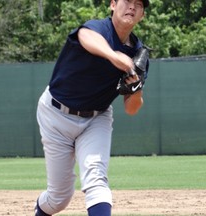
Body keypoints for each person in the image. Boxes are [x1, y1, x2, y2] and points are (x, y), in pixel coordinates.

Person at [35, 0, 150, 215]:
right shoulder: (99, 29)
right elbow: (85, 37)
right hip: (55, 114)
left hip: (96, 118)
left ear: (142, 15)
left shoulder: (138, 54)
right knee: (59, 198)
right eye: (127, 1)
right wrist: (115, 57)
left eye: (139, 4)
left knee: (96, 178)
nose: (132, 7)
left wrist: (135, 88)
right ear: (113, 5)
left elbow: (132, 108)